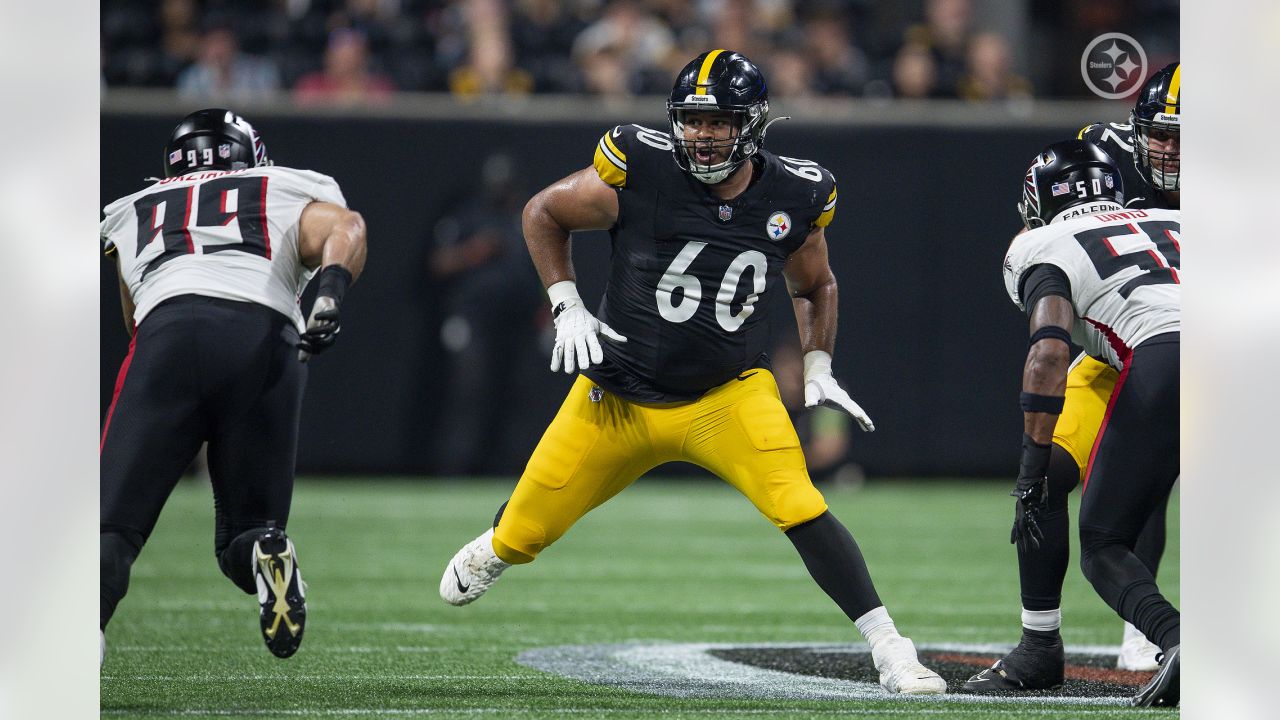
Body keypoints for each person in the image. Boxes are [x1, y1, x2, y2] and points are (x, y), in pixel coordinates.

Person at [438, 49, 946, 696]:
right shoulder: (642, 166)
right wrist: (565, 304)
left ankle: (891, 649)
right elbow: (543, 212)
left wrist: (818, 363)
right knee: (523, 535)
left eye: (720, 120)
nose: (703, 135)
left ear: (753, 123)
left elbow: (815, 284)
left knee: (802, 506)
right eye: (693, 120)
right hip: (616, 394)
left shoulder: (796, 192)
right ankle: (499, 543)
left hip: (725, 395)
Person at [99, 108, 367, 662]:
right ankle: (270, 550)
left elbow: (134, 319)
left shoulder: (134, 210)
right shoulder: (279, 185)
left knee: (109, 532)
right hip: (268, 340)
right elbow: (348, 228)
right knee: (247, 533)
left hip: (168, 337)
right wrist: (330, 292)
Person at [963, 61, 1180, 690]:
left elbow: (1048, 344)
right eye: (1160, 135)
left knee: (1107, 520)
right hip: (1127, 349)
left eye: (1187, 138)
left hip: (1166, 346)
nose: (1168, 151)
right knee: (1057, 474)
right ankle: (1039, 645)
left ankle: (1169, 634)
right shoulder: (1103, 154)